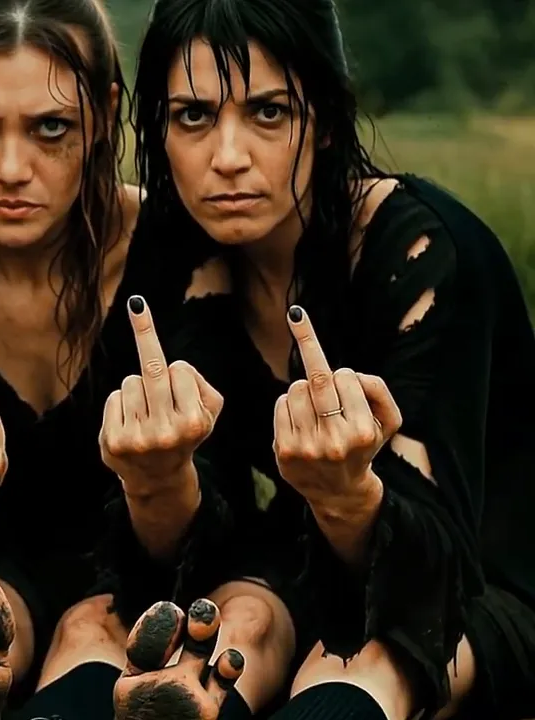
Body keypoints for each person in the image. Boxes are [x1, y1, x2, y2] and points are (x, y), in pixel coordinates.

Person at [114, 0, 535, 718]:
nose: (228, 156)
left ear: (328, 120)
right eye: (192, 116)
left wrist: (348, 496)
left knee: (364, 666)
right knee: (231, 629)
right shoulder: (178, 256)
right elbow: (198, 540)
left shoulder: (421, 255)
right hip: (300, 565)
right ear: (157, 127)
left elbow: (431, 571)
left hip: (473, 586)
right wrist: (154, 480)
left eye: (269, 113)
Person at [0, 1, 245, 717]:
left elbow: (206, 532)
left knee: (97, 626)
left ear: (103, 114)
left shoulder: (175, 250)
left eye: (50, 128)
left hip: (156, 588)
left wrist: (162, 476)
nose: (10, 169)